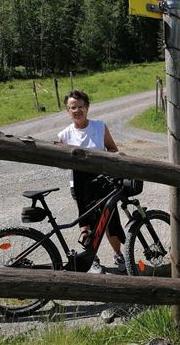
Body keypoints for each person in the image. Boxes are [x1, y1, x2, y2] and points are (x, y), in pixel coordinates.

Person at [57, 90, 126, 274]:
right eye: (73, 107)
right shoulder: (64, 135)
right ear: (67, 110)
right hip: (81, 183)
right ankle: (91, 258)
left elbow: (112, 149)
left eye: (80, 106)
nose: (77, 110)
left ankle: (118, 254)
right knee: (86, 223)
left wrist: (104, 158)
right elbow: (60, 164)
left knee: (110, 220)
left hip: (103, 180)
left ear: (87, 108)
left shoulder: (99, 127)